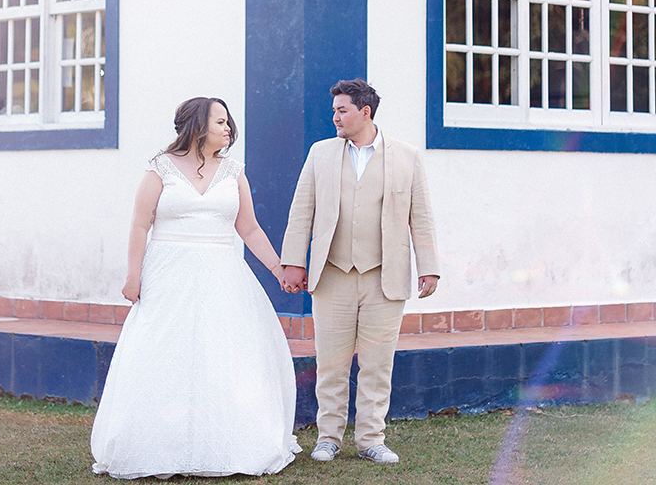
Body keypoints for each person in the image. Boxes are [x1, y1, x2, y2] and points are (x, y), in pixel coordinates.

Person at [91, 97, 301, 479]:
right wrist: (133, 276)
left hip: (222, 274)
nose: (228, 129)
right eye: (220, 121)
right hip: (169, 273)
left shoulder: (234, 171)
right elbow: (140, 225)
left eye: (228, 123)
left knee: (221, 354)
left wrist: (278, 268)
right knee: (165, 355)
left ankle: (223, 444)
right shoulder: (159, 169)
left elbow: (248, 227)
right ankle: (160, 443)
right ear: (197, 125)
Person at [279, 78, 440, 465]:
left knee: (377, 363)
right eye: (334, 110)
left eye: (342, 110)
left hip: (385, 275)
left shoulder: (407, 155)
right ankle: (328, 437)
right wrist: (293, 262)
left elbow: (421, 216)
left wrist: (429, 267)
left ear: (365, 112)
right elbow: (302, 211)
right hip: (331, 273)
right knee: (330, 361)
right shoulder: (320, 153)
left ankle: (371, 439)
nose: (334, 116)